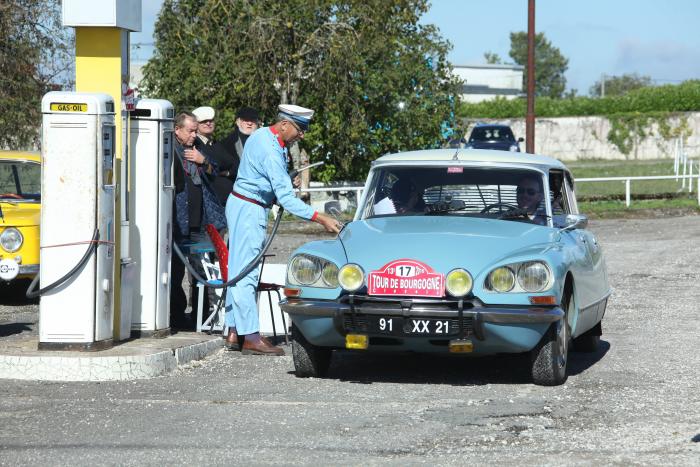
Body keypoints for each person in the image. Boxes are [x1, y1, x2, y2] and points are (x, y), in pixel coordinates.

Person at [224, 104, 341, 355]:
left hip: (244, 204)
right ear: (285, 124)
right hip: (249, 209)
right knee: (246, 274)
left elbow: (265, 181)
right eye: (299, 129)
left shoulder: (264, 137)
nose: (301, 135)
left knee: (237, 269)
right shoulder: (271, 149)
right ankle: (251, 337)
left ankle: (234, 330)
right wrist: (321, 218)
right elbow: (286, 199)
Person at [170, 111, 225, 330]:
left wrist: (203, 162)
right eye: (190, 130)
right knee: (175, 272)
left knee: (201, 272)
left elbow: (215, 171)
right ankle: (176, 314)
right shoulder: (170, 149)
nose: (194, 135)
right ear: (177, 130)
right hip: (178, 224)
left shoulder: (197, 149)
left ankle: (200, 317)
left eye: (195, 131)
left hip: (199, 224)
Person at [211, 106, 260, 205]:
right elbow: (220, 169)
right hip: (234, 195)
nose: (249, 123)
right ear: (238, 122)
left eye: (253, 120)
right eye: (245, 120)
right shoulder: (226, 143)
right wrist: (230, 173)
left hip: (258, 195)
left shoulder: (264, 142)